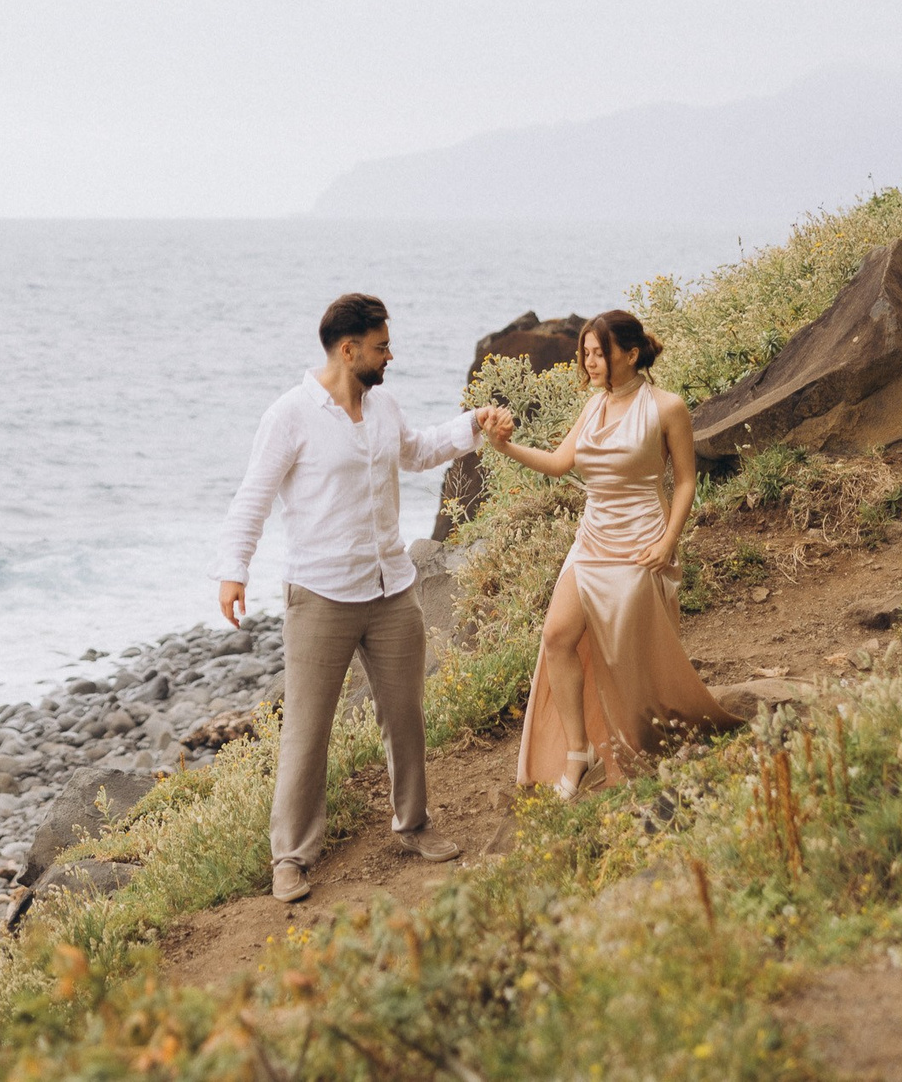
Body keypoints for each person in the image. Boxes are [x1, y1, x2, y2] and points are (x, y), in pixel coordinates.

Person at [214, 292, 485, 902]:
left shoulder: (384, 403)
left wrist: (473, 426)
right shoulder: (289, 415)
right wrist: (234, 572)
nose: (391, 355)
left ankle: (413, 825)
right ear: (348, 349)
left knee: (406, 717)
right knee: (306, 730)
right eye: (382, 346)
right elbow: (253, 496)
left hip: (392, 588)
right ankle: (290, 857)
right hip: (321, 596)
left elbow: (414, 451)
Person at [479, 309, 739, 798]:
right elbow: (559, 464)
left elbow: (685, 481)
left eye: (599, 353)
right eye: (586, 353)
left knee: (627, 655)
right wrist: (504, 447)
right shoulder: (593, 408)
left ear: (631, 354)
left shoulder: (667, 408)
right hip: (592, 539)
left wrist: (668, 542)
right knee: (556, 635)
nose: (589, 361)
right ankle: (580, 751)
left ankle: (647, 738)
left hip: (642, 540)